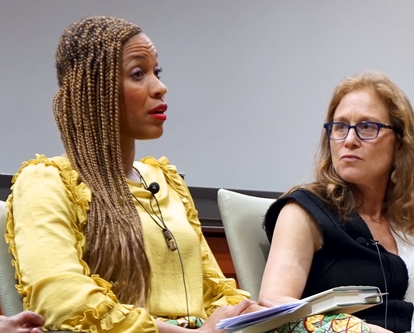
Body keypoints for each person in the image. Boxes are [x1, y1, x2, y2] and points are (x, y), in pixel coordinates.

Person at [5, 16, 253, 333]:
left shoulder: (164, 178)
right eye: (138, 74)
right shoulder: (48, 180)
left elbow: (214, 289)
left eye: (156, 72)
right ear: (93, 90)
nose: (160, 87)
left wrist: (246, 314)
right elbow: (63, 302)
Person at [258, 70, 414, 333]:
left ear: (400, 142)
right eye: (340, 127)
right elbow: (275, 307)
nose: (349, 140)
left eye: (366, 127)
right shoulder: (303, 211)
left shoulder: (413, 218)